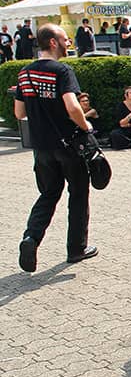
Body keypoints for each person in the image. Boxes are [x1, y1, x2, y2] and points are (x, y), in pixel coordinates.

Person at [15, 23, 97, 272]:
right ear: (53, 42)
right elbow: (73, 107)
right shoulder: (62, 71)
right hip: (68, 145)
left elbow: (19, 112)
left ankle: (31, 237)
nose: (68, 42)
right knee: (78, 193)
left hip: (41, 148)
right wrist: (86, 127)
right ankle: (76, 249)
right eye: (64, 38)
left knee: (49, 194)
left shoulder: (25, 73)